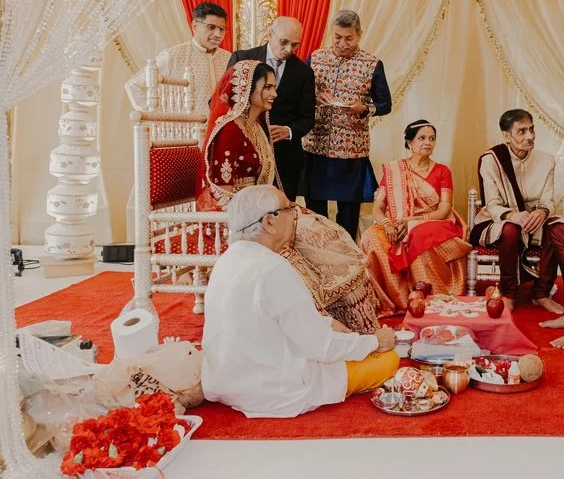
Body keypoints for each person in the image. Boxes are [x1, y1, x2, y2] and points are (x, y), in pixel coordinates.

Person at [196, 59, 380, 335]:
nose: (274, 93)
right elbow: (223, 191)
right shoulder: (230, 130)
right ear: (247, 89)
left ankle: (348, 325)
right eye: (268, 87)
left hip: (266, 212)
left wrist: (286, 209)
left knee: (332, 234)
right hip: (246, 219)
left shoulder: (255, 125)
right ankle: (324, 326)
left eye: (274, 86)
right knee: (319, 245)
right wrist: (270, 217)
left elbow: (268, 181)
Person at [202, 184, 398, 418]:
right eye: (289, 209)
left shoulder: (225, 262)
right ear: (269, 222)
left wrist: (328, 324)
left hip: (225, 383)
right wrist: (374, 342)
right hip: (275, 391)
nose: (296, 215)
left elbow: (270, 320)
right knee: (389, 360)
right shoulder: (273, 269)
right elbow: (321, 347)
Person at [361, 120, 471, 315]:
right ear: (410, 143)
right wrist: (387, 224)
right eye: (422, 138)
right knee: (372, 236)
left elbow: (444, 209)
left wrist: (413, 221)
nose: (428, 142)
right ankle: (397, 298)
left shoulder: (442, 171)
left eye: (432, 138)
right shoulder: (395, 171)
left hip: (434, 221)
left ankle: (428, 296)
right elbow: (378, 207)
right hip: (397, 222)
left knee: (417, 234)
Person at [304, 10, 392, 240]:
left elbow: (385, 104)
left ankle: (348, 252)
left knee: (349, 211)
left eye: (348, 38)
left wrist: (364, 108)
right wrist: (314, 98)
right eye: (337, 37)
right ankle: (319, 251)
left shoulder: (372, 64)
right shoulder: (315, 58)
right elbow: (299, 93)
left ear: (359, 35)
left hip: (351, 150)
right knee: (315, 210)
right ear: (331, 33)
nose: (342, 43)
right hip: (316, 145)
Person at [469, 109, 564, 314]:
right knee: (511, 229)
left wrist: (542, 212)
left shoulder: (547, 161)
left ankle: (541, 293)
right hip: (498, 219)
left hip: (533, 220)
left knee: (558, 228)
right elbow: (492, 204)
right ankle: (509, 293)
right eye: (521, 131)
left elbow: (548, 201)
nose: (530, 136)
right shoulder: (491, 160)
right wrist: (514, 216)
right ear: (506, 136)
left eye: (531, 129)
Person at [225, 16, 315, 201]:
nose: (288, 49)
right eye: (284, 42)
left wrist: (289, 131)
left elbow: (307, 117)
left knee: (282, 211)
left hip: (285, 159)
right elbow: (223, 100)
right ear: (270, 34)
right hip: (244, 152)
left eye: (295, 45)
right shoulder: (242, 58)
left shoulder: (304, 72)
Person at [125, 1, 231, 113]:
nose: (218, 34)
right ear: (195, 26)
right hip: (183, 123)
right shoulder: (173, 56)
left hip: (220, 123)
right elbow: (134, 85)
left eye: (222, 29)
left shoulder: (228, 58)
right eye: (211, 27)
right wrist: (156, 116)